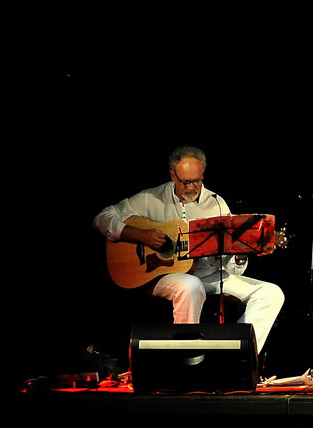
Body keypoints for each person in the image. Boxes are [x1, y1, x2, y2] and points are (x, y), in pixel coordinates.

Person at [94, 145, 285, 354]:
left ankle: (238, 356)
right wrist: (140, 235)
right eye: (186, 182)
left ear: (203, 173)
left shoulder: (216, 204)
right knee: (190, 285)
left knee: (271, 293)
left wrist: (239, 254)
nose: (192, 187)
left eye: (197, 181)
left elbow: (230, 268)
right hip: (161, 275)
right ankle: (186, 357)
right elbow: (102, 218)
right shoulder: (151, 198)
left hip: (210, 275)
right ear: (173, 176)